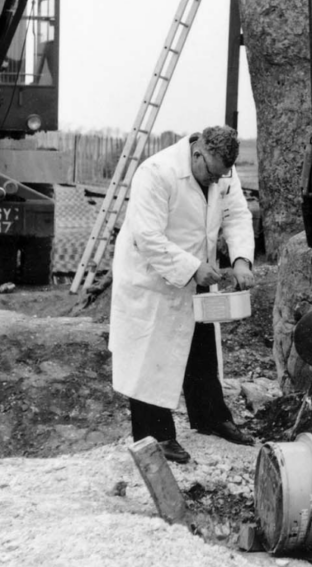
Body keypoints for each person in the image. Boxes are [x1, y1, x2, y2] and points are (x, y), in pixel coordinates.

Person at [109, 125, 256, 464]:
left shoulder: (221, 174)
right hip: (152, 278)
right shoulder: (156, 173)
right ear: (197, 154)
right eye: (211, 174)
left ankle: (211, 417)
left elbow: (237, 216)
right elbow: (147, 237)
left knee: (201, 347)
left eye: (222, 176)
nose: (215, 182)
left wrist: (241, 259)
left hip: (196, 274)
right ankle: (155, 435)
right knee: (152, 357)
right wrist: (191, 267)